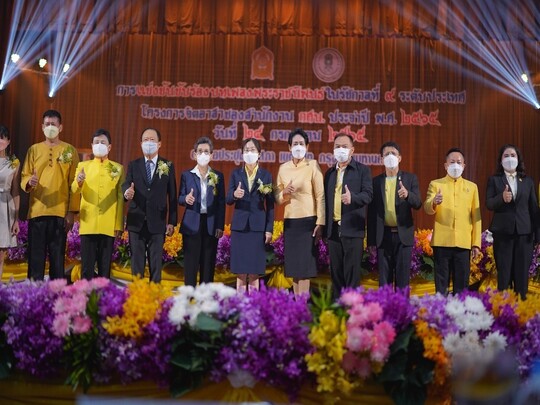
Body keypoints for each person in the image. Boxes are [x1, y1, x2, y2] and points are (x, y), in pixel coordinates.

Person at [21, 110, 80, 280]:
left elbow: (74, 183)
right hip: (37, 211)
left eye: (53, 124)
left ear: (60, 127)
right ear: (42, 127)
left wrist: (71, 212)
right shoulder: (34, 150)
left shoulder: (70, 150)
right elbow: (24, 176)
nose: (50, 127)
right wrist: (29, 182)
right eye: (47, 124)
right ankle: (34, 294)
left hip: (60, 213)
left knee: (57, 259)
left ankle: (56, 294)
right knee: (35, 259)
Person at [122, 128, 177, 283]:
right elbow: (126, 184)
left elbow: (172, 195)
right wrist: (127, 193)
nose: (149, 143)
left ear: (159, 144)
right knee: (137, 266)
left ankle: (155, 295)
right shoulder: (134, 165)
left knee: (156, 266)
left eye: (152, 140)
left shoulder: (167, 165)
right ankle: (138, 295)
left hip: (157, 221)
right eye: (145, 140)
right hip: (136, 221)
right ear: (140, 143)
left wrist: (172, 221)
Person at [424, 147, 481, 295]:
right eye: (452, 162)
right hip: (442, 242)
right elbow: (427, 208)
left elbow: (476, 217)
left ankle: (460, 309)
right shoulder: (436, 184)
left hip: (463, 243)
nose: (455, 165)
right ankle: (440, 309)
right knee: (441, 285)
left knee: (462, 287)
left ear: (464, 166)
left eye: (459, 162)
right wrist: (434, 202)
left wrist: (476, 243)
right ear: (445, 165)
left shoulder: (472, 187)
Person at [275, 128, 325, 297]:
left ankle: (302, 306)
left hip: (308, 222)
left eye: (301, 143)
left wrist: (320, 222)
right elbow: (277, 197)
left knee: (304, 269)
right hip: (291, 222)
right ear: (289, 147)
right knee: (295, 269)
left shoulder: (313, 165)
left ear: (307, 146)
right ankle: (297, 305)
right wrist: (284, 193)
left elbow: (320, 195)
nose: (298, 146)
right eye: (295, 143)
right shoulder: (283, 168)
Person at [486, 144, 539, 300]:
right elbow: (489, 203)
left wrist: (538, 237)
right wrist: (501, 198)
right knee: (504, 275)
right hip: (503, 234)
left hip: (525, 234)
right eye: (506, 156)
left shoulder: (528, 181)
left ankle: (521, 308)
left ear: (518, 159)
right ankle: (504, 308)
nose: (510, 158)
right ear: (501, 160)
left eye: (513, 155)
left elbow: (534, 209)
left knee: (522, 276)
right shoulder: (494, 180)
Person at [367, 141, 422, 290]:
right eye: (386, 154)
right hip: (383, 236)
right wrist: (371, 241)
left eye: (393, 153)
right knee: (384, 281)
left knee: (403, 280)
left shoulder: (410, 179)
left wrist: (408, 195)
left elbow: (418, 203)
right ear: (381, 159)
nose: (390, 156)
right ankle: (385, 305)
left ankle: (402, 305)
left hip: (403, 236)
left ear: (400, 158)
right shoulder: (376, 182)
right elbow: (371, 214)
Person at [324, 133, 372, 299]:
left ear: (352, 150)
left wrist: (353, 198)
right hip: (333, 231)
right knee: (336, 275)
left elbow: (368, 195)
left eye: (344, 146)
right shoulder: (330, 173)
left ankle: (352, 310)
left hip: (352, 229)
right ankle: (338, 309)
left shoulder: (362, 171)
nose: (340, 149)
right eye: (337, 146)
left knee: (352, 276)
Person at [71, 129, 124, 280]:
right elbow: (74, 189)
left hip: (108, 225)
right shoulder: (83, 166)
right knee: (87, 269)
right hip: (88, 224)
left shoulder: (117, 168)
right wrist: (79, 181)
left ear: (109, 147)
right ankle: (86, 295)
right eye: (96, 142)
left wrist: (118, 225)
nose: (99, 145)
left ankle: (103, 295)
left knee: (104, 269)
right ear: (92, 145)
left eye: (103, 142)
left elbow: (120, 197)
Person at [226, 138, 274, 293]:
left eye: (252, 150)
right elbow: (228, 199)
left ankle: (254, 303)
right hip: (240, 228)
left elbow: (270, 205)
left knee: (254, 272)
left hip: (257, 228)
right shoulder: (236, 174)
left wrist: (269, 229)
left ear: (259, 153)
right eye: (246, 150)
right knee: (240, 272)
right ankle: (241, 304)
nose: (249, 153)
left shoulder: (266, 175)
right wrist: (235, 194)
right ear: (242, 153)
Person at [179, 136, 225, 286]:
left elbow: (221, 203)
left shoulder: (218, 176)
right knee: (190, 266)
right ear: (194, 154)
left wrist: (219, 225)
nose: (203, 154)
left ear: (211, 155)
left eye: (206, 151)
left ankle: (206, 298)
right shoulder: (187, 175)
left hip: (210, 224)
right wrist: (186, 199)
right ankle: (189, 296)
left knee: (208, 265)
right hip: (191, 224)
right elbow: (180, 197)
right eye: (200, 151)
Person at [0, 125, 20, 281]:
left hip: (4, 207)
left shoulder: (14, 162)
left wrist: (15, 219)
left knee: (1, 253)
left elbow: (15, 191)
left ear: (8, 141)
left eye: (2, 138)